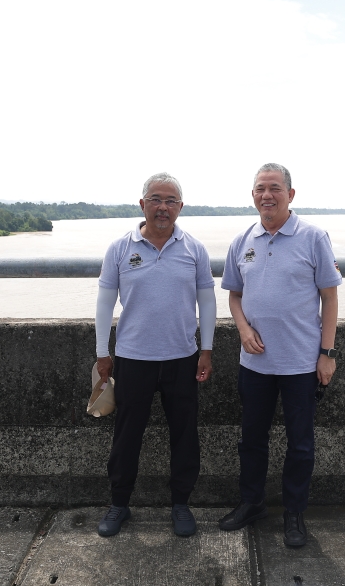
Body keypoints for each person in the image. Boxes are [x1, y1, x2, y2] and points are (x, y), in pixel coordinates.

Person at [218, 163, 341, 548]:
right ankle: (252, 503)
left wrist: (328, 353)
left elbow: (330, 297)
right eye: (259, 189)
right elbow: (234, 296)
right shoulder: (243, 241)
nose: (266, 195)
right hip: (254, 363)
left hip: (301, 363)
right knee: (251, 439)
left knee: (300, 444)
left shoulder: (313, 236)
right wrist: (242, 328)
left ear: (290, 194)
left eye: (274, 188)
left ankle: (294, 513)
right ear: (252, 195)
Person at [94, 172, 216, 538]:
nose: (163, 207)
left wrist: (206, 349)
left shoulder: (194, 249)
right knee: (127, 434)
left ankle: (181, 504)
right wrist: (103, 353)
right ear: (142, 204)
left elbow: (207, 301)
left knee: (184, 434)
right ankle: (119, 503)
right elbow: (104, 302)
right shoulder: (120, 248)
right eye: (156, 199)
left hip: (182, 358)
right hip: (132, 358)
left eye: (171, 201)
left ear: (180, 207)